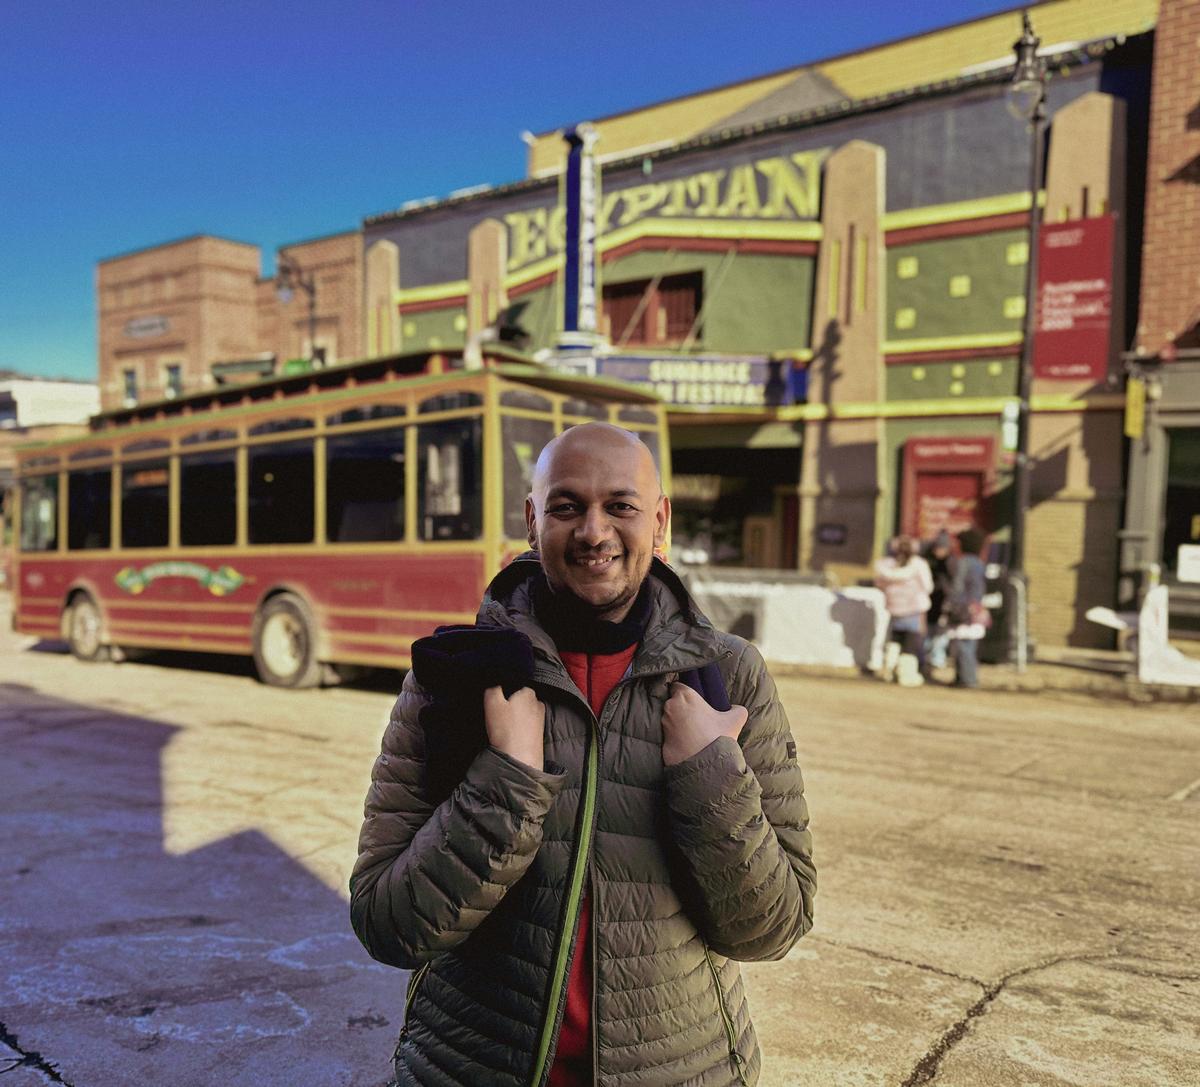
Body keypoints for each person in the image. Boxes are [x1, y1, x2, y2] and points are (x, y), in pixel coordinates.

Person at [350, 422, 816, 1087]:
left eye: (620, 505)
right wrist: (506, 778)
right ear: (533, 518)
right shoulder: (456, 676)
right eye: (568, 506)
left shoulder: (728, 678)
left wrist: (710, 773)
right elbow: (387, 924)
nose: (595, 531)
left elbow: (772, 928)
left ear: (660, 521)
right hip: (469, 1067)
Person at [873, 535, 933, 685]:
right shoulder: (919, 565)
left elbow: (879, 583)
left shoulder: (885, 566)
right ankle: (906, 674)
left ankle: (888, 669)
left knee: (895, 639)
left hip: (894, 607)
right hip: (913, 609)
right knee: (911, 642)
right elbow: (928, 586)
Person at [947, 528, 988, 689]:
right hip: (976, 607)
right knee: (969, 644)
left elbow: (957, 587)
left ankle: (967, 679)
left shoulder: (963, 562)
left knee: (962, 644)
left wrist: (953, 603)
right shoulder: (979, 563)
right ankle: (965, 677)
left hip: (963, 608)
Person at [922, 531, 957, 675]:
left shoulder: (951, 563)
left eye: (941, 548)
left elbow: (953, 584)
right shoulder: (929, 561)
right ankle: (927, 659)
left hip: (943, 603)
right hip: (930, 603)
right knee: (928, 633)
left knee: (941, 634)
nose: (939, 551)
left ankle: (937, 660)